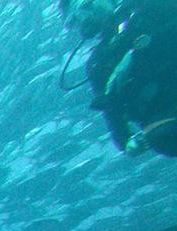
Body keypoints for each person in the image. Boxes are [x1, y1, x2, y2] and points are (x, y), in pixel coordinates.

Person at [60, 0, 177, 157]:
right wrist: (129, 143)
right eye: (74, 20)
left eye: (86, 6)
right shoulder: (98, 64)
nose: (84, 18)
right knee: (162, 136)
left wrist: (139, 51)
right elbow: (115, 122)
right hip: (164, 124)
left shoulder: (149, 8)